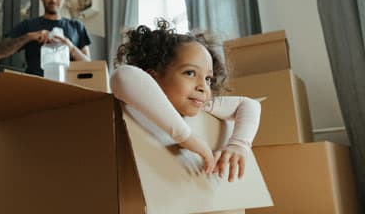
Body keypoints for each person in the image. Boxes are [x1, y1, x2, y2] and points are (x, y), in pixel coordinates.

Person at [110, 20, 261, 182]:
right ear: (153, 77)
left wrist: (239, 145)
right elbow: (123, 75)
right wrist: (187, 138)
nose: (203, 87)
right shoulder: (134, 93)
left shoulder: (201, 104)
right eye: (190, 73)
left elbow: (250, 104)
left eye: (208, 78)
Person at [0, 0, 91, 76]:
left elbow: (90, 67)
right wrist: (29, 37)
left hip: (67, 88)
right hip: (35, 87)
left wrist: (71, 47)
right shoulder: (28, 25)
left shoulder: (77, 26)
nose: (53, 0)